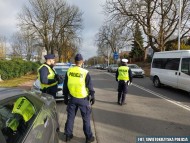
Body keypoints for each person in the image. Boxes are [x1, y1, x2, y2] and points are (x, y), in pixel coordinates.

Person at [63, 53, 95, 143]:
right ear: (82, 62)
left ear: (74, 61)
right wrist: (92, 96)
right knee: (86, 119)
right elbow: (90, 86)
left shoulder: (69, 71)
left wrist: (65, 97)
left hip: (72, 98)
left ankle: (68, 136)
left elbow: (65, 86)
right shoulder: (85, 72)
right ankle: (89, 137)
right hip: (83, 99)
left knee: (70, 117)